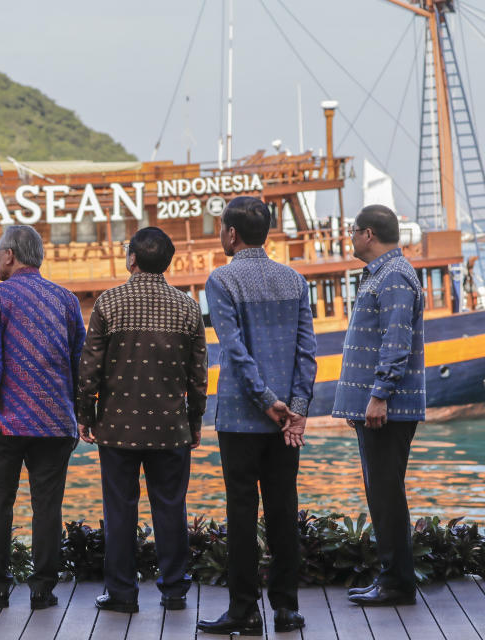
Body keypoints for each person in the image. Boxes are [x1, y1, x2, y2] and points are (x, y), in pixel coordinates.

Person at [197, 197, 316, 636]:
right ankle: (286, 610)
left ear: (231, 233)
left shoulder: (222, 280)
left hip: (241, 417)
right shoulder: (295, 280)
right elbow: (307, 351)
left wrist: (265, 400)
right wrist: (297, 410)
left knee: (242, 513)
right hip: (286, 422)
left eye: (221, 228)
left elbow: (234, 350)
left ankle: (243, 612)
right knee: (284, 509)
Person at [77, 227, 207, 614]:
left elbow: (89, 370)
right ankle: (174, 592)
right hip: (171, 428)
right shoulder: (187, 307)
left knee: (120, 510)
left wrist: (86, 415)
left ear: (132, 259)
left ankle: (121, 593)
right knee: (170, 507)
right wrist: (195, 420)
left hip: (117, 428)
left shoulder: (109, 303)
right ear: (166, 262)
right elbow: (198, 375)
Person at [0, 224, 85, 610]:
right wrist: (78, 414)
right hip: (55, 423)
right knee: (47, 507)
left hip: (6, 423)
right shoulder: (67, 300)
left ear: (9, 255)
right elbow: (78, 363)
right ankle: (42, 589)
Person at [332, 205, 425, 607]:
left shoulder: (395, 277)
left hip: (388, 409)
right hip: (380, 408)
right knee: (383, 492)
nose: (349, 238)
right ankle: (392, 578)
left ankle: (397, 584)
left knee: (385, 493)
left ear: (368, 234)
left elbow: (396, 342)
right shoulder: (385, 275)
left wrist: (379, 396)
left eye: (353, 231)